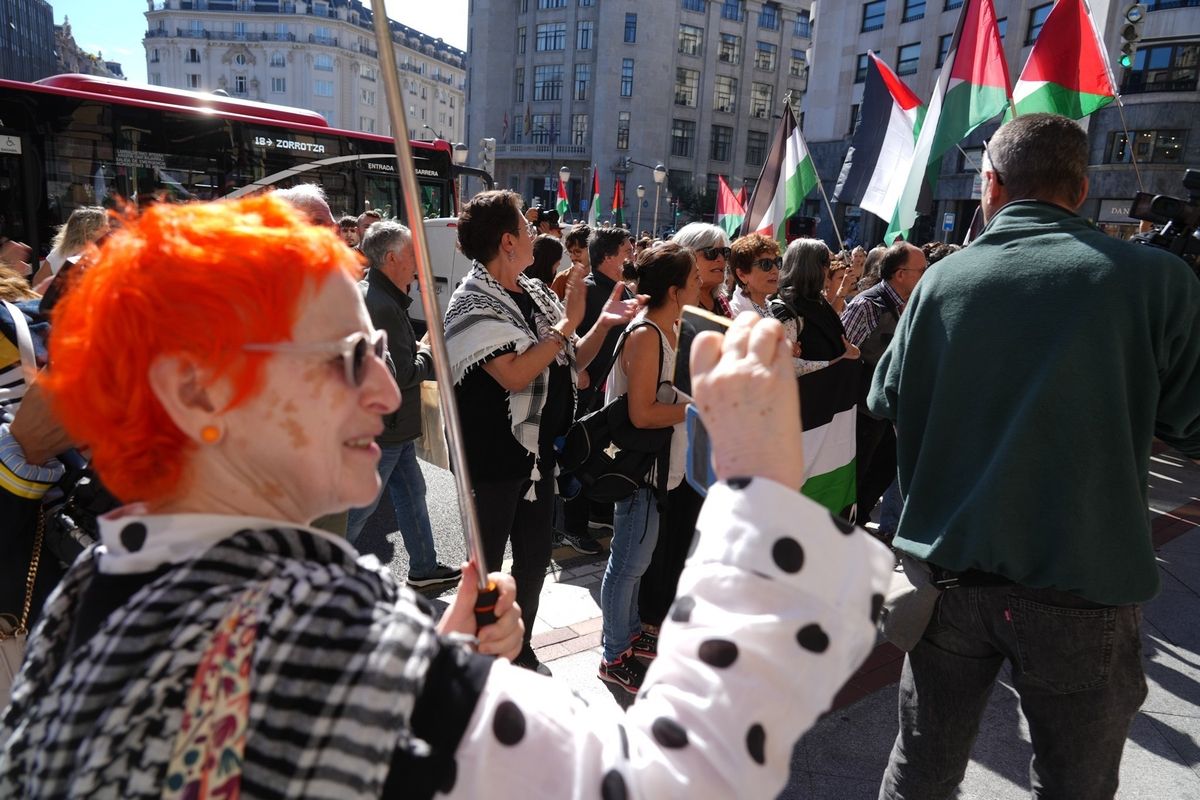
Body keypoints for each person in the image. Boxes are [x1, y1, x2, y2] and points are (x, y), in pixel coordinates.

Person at [0, 197, 894, 796]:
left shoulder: (102, 585)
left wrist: (430, 666)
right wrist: (758, 491)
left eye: (382, 358)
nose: (386, 396)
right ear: (197, 392)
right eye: (349, 359)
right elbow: (682, 777)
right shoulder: (308, 630)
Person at [870, 113, 1200, 800]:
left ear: (989, 185)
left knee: (923, 769)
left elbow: (888, 400)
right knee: (1074, 785)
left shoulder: (940, 280)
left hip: (950, 578)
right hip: (1082, 585)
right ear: (1080, 190)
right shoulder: (1154, 279)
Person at [443, 191, 641, 675]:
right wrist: (570, 322)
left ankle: (520, 648)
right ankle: (477, 661)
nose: (537, 234)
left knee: (532, 565)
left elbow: (572, 361)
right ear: (508, 241)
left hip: (536, 460)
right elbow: (514, 374)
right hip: (491, 462)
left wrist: (601, 325)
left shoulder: (533, 291)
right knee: (486, 571)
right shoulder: (470, 302)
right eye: (527, 230)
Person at [598, 243, 700, 694]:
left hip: (659, 470)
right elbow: (641, 414)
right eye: (694, 279)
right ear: (676, 291)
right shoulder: (645, 335)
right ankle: (613, 655)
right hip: (638, 472)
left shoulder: (669, 329)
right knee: (628, 564)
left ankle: (631, 633)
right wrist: (698, 409)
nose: (702, 285)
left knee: (637, 561)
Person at [343, 221, 461, 587]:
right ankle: (320, 569)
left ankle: (424, 567)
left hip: (392, 426)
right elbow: (401, 374)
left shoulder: (376, 295)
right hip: (387, 427)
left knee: (412, 494)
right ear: (392, 258)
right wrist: (430, 351)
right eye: (412, 255)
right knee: (358, 511)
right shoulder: (382, 305)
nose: (418, 263)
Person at [558, 226, 640, 556]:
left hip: (613, 393)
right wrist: (577, 373)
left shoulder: (625, 292)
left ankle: (597, 515)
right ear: (607, 257)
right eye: (626, 251)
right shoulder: (587, 291)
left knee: (602, 458)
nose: (631, 255)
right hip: (587, 396)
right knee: (579, 458)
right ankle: (572, 529)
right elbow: (567, 343)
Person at [769, 238, 861, 515]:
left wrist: (848, 356)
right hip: (801, 422)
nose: (828, 271)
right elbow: (786, 366)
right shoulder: (784, 309)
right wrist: (837, 363)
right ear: (813, 267)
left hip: (827, 417)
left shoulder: (818, 303)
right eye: (825, 264)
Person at [841, 240, 926, 525]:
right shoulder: (867, 305)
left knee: (884, 471)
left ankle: (858, 523)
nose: (926, 275)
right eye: (920, 270)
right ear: (899, 274)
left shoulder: (909, 306)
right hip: (862, 413)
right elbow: (842, 353)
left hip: (887, 412)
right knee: (856, 478)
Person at [29, 206, 109, 291]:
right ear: (89, 231)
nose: (108, 230)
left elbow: (37, 284)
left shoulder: (57, 253)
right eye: (105, 227)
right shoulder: (96, 255)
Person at [672, 222, 734, 320]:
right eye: (711, 252)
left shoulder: (722, 301)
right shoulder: (675, 305)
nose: (721, 259)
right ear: (685, 256)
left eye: (724, 252)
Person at [728, 233, 781, 317]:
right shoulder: (735, 315)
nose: (775, 270)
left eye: (777, 262)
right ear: (742, 275)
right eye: (766, 264)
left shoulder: (767, 306)